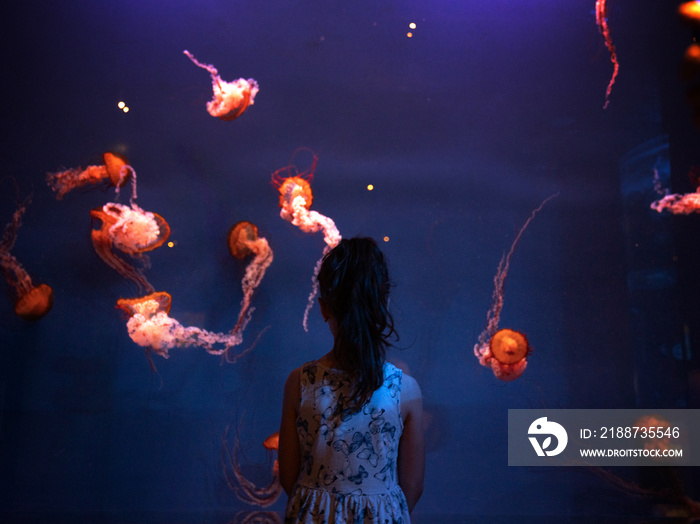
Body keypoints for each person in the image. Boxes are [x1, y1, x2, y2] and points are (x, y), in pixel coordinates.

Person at [278, 237, 424, 523]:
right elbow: (413, 488)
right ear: (385, 303)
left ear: (323, 308)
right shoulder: (406, 389)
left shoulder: (299, 383)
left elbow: (288, 477)